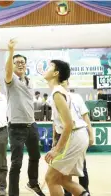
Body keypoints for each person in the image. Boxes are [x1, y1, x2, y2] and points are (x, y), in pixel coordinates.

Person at [43, 60, 90, 196]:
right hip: (77, 135)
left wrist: (57, 150)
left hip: (74, 135)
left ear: (56, 73)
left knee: (50, 178)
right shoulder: (58, 92)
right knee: (62, 179)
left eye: (50, 66)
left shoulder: (57, 93)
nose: (47, 68)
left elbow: (69, 124)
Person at [5, 39, 45, 196]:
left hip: (32, 125)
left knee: (35, 156)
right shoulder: (11, 80)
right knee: (16, 163)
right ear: (12, 65)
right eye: (17, 63)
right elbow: (8, 72)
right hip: (16, 127)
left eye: (22, 62)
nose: (20, 64)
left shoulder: (29, 81)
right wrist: (11, 52)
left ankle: (33, 183)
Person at [52, 80, 94, 196]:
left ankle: (85, 191)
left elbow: (85, 117)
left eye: (64, 82)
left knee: (82, 168)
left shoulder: (76, 97)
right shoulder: (55, 97)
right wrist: (55, 140)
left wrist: (91, 134)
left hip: (76, 135)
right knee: (64, 170)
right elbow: (54, 123)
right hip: (62, 135)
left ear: (68, 84)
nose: (62, 84)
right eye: (59, 83)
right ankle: (68, 193)